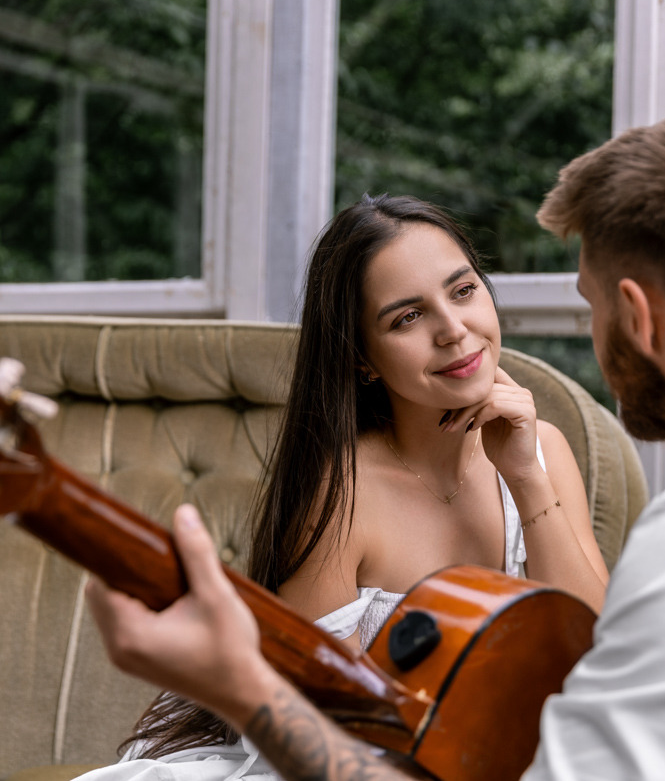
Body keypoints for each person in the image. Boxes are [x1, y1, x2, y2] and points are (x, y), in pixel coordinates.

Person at [86, 109, 665, 780]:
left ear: (635, 316)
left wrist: (234, 685)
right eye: (409, 316)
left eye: (589, 303)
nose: (455, 331)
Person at [83, 194, 609, 779]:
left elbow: (602, 663)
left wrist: (528, 479)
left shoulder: (543, 450)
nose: (454, 331)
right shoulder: (343, 496)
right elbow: (322, 727)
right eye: (408, 317)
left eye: (463, 291)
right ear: (364, 359)